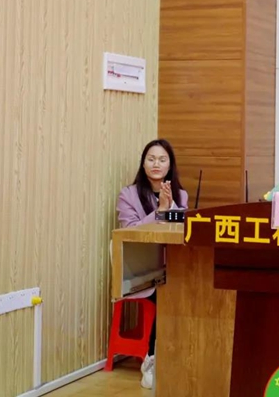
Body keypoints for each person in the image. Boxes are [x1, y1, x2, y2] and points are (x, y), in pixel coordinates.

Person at [116, 139, 188, 389]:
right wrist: (160, 211)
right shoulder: (128, 195)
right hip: (140, 268)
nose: (156, 164)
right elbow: (130, 232)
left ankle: (178, 356)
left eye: (162, 159)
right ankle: (151, 360)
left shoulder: (180, 194)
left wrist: (171, 206)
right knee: (167, 294)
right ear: (143, 163)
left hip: (171, 266)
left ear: (170, 165)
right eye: (151, 159)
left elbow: (182, 229)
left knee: (186, 290)